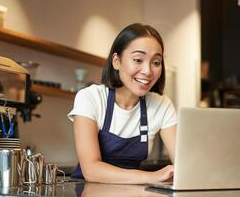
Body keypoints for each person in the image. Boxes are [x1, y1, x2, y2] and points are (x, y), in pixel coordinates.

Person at [68, 23, 177, 184]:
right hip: (88, 191)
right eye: (138, 59)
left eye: (156, 62)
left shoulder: (161, 105)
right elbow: (91, 170)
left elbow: (183, 163)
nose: (148, 71)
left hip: (130, 191)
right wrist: (152, 177)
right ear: (116, 61)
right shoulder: (90, 98)